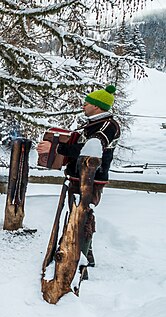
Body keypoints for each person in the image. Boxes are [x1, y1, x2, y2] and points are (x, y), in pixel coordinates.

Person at [36, 85, 120, 277]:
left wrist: (56, 149)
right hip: (77, 177)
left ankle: (80, 261)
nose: (84, 105)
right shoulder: (91, 124)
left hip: (91, 181)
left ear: (98, 107)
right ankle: (79, 254)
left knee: (83, 216)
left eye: (88, 102)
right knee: (75, 215)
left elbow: (90, 150)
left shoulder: (108, 126)